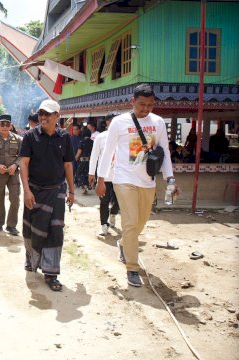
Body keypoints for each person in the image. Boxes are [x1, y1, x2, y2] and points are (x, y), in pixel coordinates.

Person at [96, 84, 176, 287]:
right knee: (130, 223)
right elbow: (108, 152)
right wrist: (101, 179)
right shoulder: (119, 122)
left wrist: (170, 178)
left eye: (150, 105)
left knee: (141, 222)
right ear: (132, 101)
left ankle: (124, 243)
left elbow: (164, 151)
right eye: (142, 104)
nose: (145, 109)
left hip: (147, 181)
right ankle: (132, 267)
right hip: (124, 179)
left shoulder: (157, 122)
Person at [19, 99, 75, 292]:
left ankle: (51, 273)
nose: (43, 117)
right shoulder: (30, 137)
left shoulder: (65, 138)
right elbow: (24, 164)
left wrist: (72, 190)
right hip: (34, 191)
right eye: (41, 113)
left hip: (57, 191)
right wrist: (26, 190)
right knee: (32, 228)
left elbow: (68, 165)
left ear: (57, 116)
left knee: (55, 231)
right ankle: (31, 258)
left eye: (48, 114)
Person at [0, 114, 22, 236]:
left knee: (15, 199)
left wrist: (16, 165)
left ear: (11, 125)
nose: (5, 126)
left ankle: (11, 225)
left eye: (7, 124)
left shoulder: (18, 139)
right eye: (2, 124)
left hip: (13, 174)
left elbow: (23, 155)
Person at [88, 113, 120, 236]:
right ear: (107, 122)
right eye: (111, 121)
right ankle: (103, 225)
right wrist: (91, 173)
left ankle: (113, 213)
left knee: (119, 202)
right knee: (104, 201)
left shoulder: (124, 137)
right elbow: (94, 156)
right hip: (104, 177)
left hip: (120, 176)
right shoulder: (100, 137)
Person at [75, 127, 93, 194]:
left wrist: (76, 158)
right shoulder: (92, 142)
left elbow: (79, 151)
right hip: (90, 161)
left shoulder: (81, 142)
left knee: (80, 173)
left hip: (82, 161)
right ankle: (89, 185)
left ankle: (83, 187)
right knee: (88, 173)